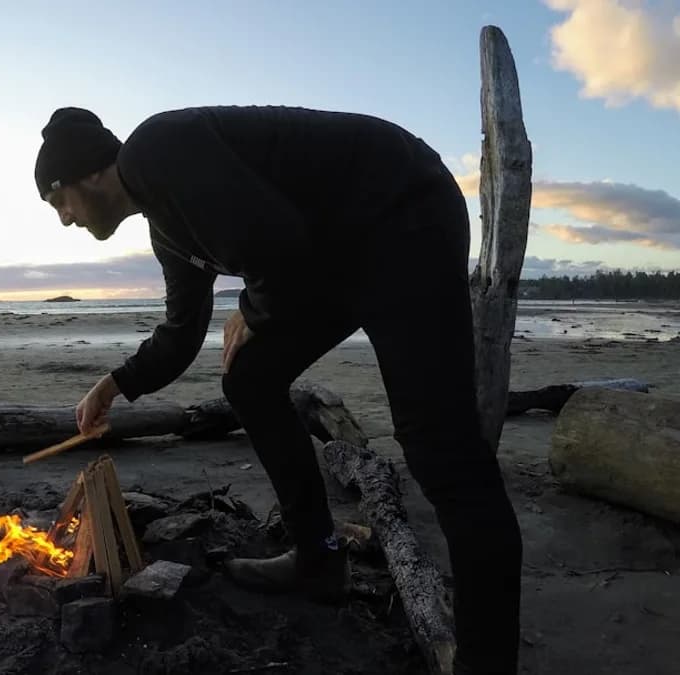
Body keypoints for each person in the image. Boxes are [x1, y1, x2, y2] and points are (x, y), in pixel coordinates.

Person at [33, 105, 523, 674]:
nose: (65, 218)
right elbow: (182, 332)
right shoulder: (166, 228)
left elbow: (274, 238)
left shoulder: (157, 149)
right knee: (250, 379)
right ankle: (318, 558)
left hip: (400, 210)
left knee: (440, 450)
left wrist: (253, 309)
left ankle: (488, 660)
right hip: (334, 254)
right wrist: (116, 384)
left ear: (89, 173)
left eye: (58, 199)